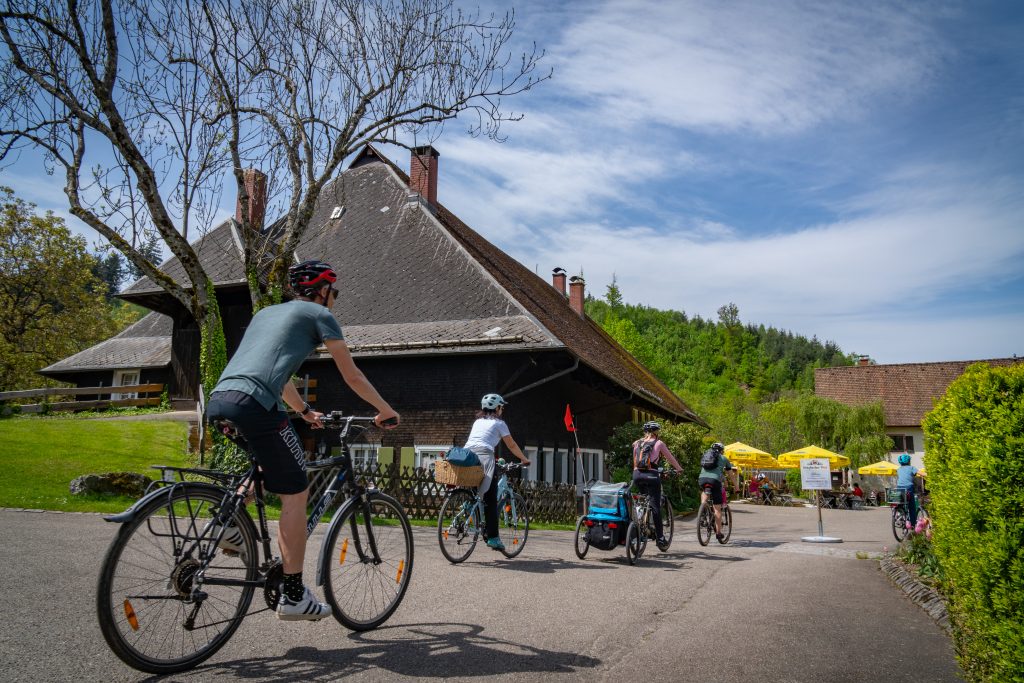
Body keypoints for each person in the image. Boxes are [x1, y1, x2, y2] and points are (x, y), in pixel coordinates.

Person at [205, 260, 399, 621]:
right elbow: (352, 375)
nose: (334, 299)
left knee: (266, 464)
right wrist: (386, 409)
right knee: (296, 493)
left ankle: (225, 523)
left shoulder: (266, 315)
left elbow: (278, 375)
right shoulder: (319, 315)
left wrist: (306, 411)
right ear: (324, 290)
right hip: (256, 405)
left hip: (222, 400)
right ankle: (294, 595)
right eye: (334, 293)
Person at [463, 393, 530, 551]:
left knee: (477, 491)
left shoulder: (478, 421)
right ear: (497, 408)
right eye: (502, 407)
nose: (502, 410)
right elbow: (512, 445)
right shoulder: (499, 423)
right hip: (485, 457)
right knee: (491, 499)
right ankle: (493, 538)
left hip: (468, 456)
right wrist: (524, 459)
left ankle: (468, 506)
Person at [632, 421, 684, 550]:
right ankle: (660, 538)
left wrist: (637, 474)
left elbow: (634, 460)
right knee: (655, 506)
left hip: (637, 475)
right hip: (652, 475)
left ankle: (638, 523)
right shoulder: (659, 443)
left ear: (645, 431)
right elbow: (670, 458)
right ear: (656, 431)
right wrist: (679, 469)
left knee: (641, 500)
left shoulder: (637, 443)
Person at [698, 442, 735, 543]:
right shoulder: (723, 458)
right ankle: (718, 533)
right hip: (715, 481)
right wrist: (736, 486)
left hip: (702, 479)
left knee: (704, 491)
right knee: (717, 509)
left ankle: (703, 509)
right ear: (722, 450)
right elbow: (731, 474)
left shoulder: (706, 455)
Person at [896, 453, 920, 528]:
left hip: (899, 488)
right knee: (912, 506)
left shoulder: (898, 469)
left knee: (901, 502)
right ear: (909, 461)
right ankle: (913, 524)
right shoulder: (912, 468)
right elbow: (920, 473)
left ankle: (900, 515)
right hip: (909, 488)